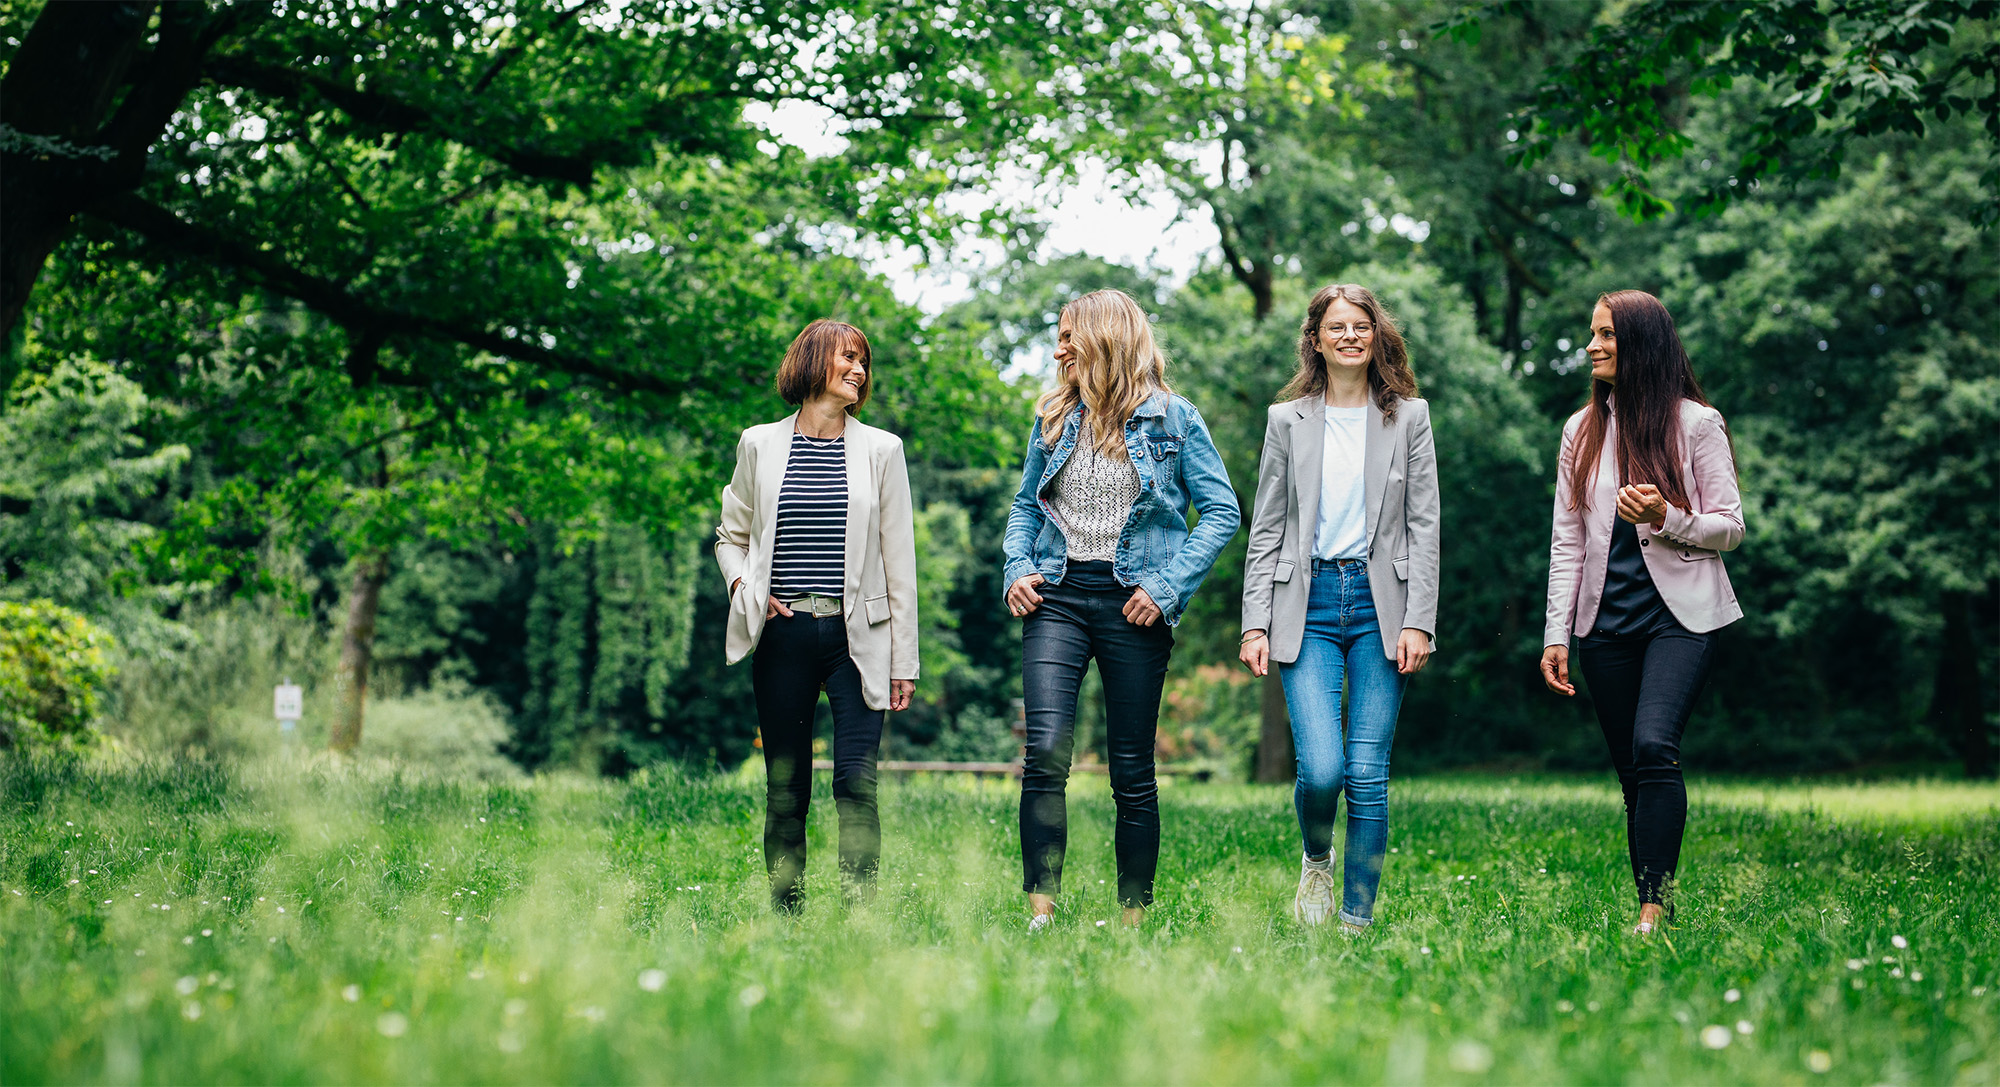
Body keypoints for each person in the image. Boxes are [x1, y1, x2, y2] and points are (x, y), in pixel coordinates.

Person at [1003, 288, 1240, 932]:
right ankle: (1040, 917)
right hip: (1057, 596)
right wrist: (1017, 568)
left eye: (1067, 334)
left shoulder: (1174, 420)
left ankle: (1132, 920)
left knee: (1131, 766)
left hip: (1135, 604)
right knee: (1046, 751)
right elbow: (1026, 505)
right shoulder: (1054, 416)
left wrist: (1166, 589)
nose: (1058, 348)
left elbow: (1221, 512)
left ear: (1105, 338)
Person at [1539, 290, 1743, 936]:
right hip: (1605, 624)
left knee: (1656, 746)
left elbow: (1731, 527)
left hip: (1681, 618)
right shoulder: (1580, 429)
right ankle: (1657, 898)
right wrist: (1557, 632)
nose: (1593, 345)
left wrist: (1667, 517)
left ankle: (1651, 910)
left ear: (1643, 343)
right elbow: (1567, 539)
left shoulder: (1696, 424)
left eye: (1607, 335)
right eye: (1592, 333)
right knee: (1634, 771)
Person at [1238, 282, 1440, 931]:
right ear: (1316, 338)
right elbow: (1266, 524)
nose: (1350, 335)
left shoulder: (1410, 416)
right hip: (1310, 601)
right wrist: (1255, 621)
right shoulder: (1285, 419)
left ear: (1377, 335)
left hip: (1386, 605)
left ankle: (1356, 918)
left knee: (1368, 772)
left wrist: (1419, 619)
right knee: (1322, 768)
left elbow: (1424, 524)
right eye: (1337, 326)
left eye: (1361, 325)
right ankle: (1317, 858)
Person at [715, 318, 918, 913]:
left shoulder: (883, 450)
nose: (858, 370)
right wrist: (745, 585)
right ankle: (787, 916)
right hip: (783, 635)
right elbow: (731, 536)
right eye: (846, 358)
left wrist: (903, 658)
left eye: (863, 361)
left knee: (856, 783)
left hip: (860, 638)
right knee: (786, 788)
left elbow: (898, 559)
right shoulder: (759, 443)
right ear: (812, 364)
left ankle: (859, 917)